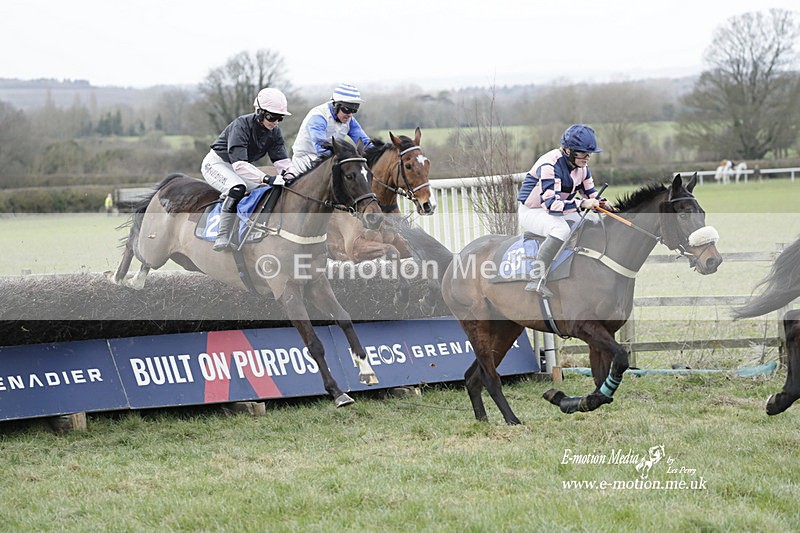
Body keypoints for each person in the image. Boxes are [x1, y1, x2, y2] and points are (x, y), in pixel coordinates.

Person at [517, 124, 613, 295]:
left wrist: (603, 204)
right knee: (560, 229)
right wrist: (583, 204)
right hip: (534, 211)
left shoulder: (582, 168)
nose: (587, 157)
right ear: (568, 151)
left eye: (589, 153)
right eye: (583, 152)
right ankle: (536, 279)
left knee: (592, 222)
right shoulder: (549, 164)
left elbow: (590, 195)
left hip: (560, 208)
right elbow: (552, 207)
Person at [201, 87, 292, 252]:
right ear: (259, 112)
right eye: (272, 117)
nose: (276, 122)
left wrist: (292, 177)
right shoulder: (241, 125)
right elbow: (240, 165)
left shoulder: (275, 132)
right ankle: (222, 235)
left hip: (238, 167)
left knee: (264, 192)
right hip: (217, 164)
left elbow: (283, 162)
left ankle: (244, 231)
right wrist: (266, 178)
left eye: (280, 118)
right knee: (237, 188)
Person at [291, 83, 372, 175]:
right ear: (335, 105)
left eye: (354, 110)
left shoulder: (349, 120)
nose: (350, 114)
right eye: (346, 109)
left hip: (328, 159)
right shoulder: (318, 116)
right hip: (304, 159)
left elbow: (366, 142)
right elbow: (321, 147)